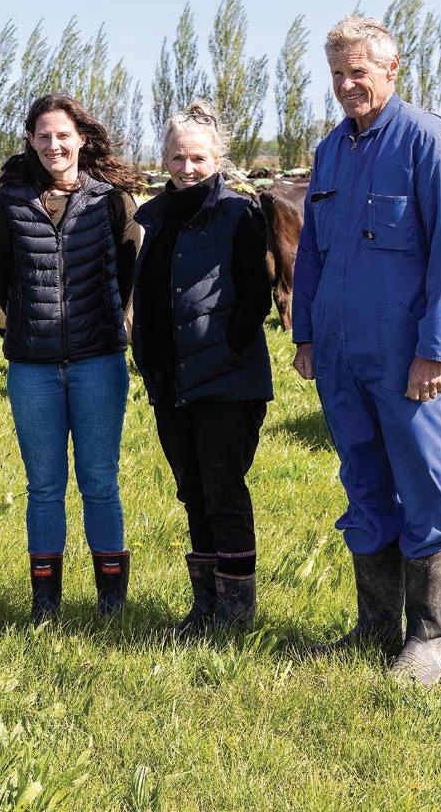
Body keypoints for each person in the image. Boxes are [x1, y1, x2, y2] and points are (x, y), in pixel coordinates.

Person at [292, 16, 441, 686]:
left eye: (358, 72)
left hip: (409, 360)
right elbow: (312, 251)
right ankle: (374, 627)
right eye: (337, 73)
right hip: (342, 356)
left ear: (391, 70)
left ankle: (428, 638)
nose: (346, 85)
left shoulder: (428, 140)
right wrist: (306, 334)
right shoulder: (329, 151)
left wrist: (435, 350)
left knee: (424, 486)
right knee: (364, 484)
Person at [0, 93, 142, 622]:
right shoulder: (10, 202)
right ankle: (45, 604)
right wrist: (31, 321)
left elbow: (126, 272)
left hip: (99, 362)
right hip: (32, 367)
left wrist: (99, 321)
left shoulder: (111, 201)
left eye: (63, 135)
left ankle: (111, 603)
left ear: (81, 139)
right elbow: (2, 275)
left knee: (99, 480)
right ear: (31, 141)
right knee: (44, 486)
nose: (54, 145)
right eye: (44, 136)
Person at [132, 102, 273, 633]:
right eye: (177, 157)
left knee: (223, 491)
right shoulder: (153, 216)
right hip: (171, 380)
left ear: (217, 158)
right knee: (192, 490)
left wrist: (226, 350)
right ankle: (206, 607)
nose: (186, 168)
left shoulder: (239, 213)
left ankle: (235, 615)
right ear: (163, 158)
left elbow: (256, 295)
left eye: (197, 158)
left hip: (226, 379)